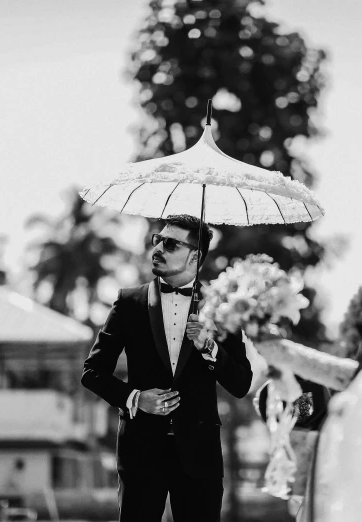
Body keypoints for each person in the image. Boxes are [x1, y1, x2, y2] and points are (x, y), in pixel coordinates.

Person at [81, 214, 253, 522]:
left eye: (170, 243)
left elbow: (240, 383)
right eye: (157, 240)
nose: (158, 248)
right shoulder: (128, 302)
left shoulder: (222, 306)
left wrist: (208, 347)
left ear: (195, 256)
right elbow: (92, 372)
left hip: (200, 454)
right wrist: (136, 398)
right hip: (140, 452)